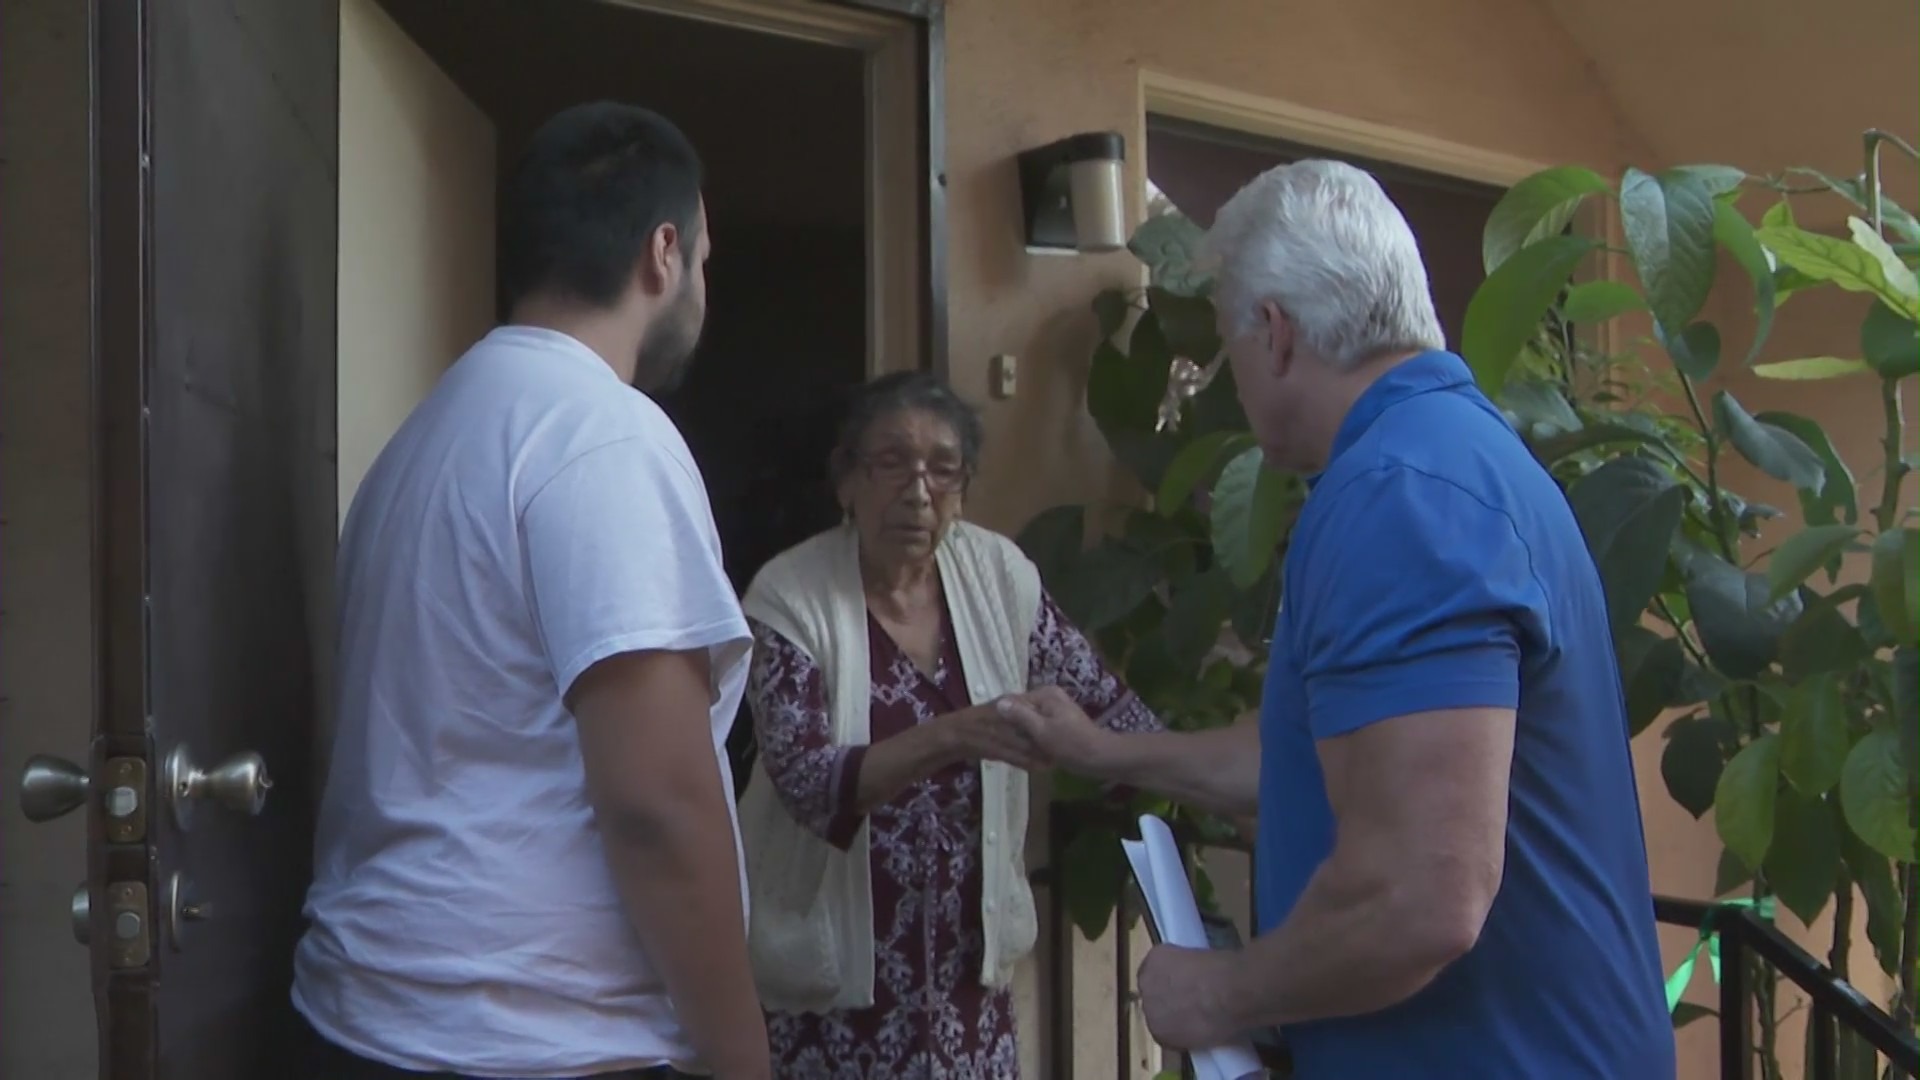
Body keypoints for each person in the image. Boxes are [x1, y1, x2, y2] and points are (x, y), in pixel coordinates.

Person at [1002, 160, 1676, 1078]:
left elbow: (1421, 897)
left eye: (1229, 351)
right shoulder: (1453, 457)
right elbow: (1335, 757)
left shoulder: (1401, 496)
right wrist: (1106, 753)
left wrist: (1223, 992)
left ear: (1274, 334)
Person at [292, 103, 768, 1080]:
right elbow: (657, 800)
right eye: (707, 261)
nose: (702, 288)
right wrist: (740, 1059)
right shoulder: (603, 435)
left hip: (368, 1014)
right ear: (663, 253)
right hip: (532, 1040)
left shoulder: (423, 441)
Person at [736, 372, 1163, 1079]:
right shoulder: (791, 598)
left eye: (943, 468)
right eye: (892, 463)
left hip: (968, 1001)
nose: (919, 490)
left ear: (963, 490)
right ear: (846, 481)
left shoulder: (999, 577)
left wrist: (1211, 782)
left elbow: (1108, 707)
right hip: (833, 1004)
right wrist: (956, 734)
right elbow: (811, 785)